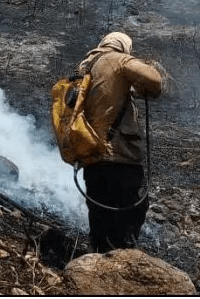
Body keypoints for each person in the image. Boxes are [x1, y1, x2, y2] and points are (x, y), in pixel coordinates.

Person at [76, 32, 163, 252]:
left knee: (100, 216)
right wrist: (145, 67)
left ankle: (97, 260)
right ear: (124, 46)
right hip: (119, 156)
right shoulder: (118, 60)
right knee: (130, 213)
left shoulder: (88, 65)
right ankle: (121, 264)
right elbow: (155, 81)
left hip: (92, 156)